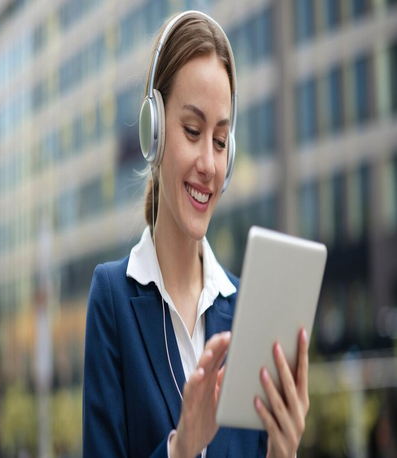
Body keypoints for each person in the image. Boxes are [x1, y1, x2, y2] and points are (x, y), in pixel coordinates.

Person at [83, 11, 309, 458]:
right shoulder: (111, 298)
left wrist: (282, 454)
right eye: (192, 131)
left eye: (221, 141)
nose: (209, 163)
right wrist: (180, 449)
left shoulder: (250, 310)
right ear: (156, 131)